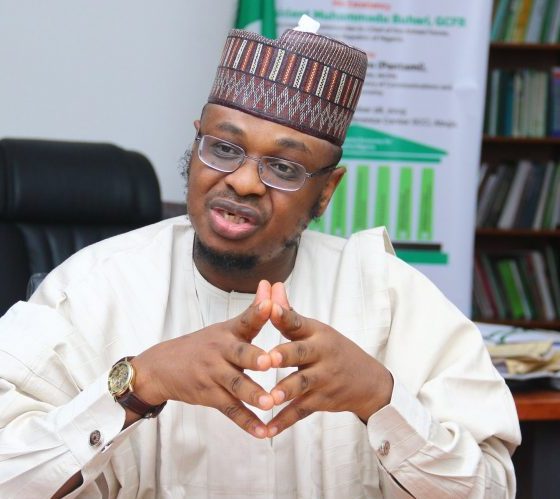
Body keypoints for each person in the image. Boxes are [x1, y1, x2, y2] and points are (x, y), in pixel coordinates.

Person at [0, 19, 520, 498]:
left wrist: (380, 398)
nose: (244, 182)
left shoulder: (388, 296)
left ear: (326, 191)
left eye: (285, 167)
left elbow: (492, 488)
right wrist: (140, 383)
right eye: (224, 149)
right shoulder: (93, 288)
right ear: (196, 145)